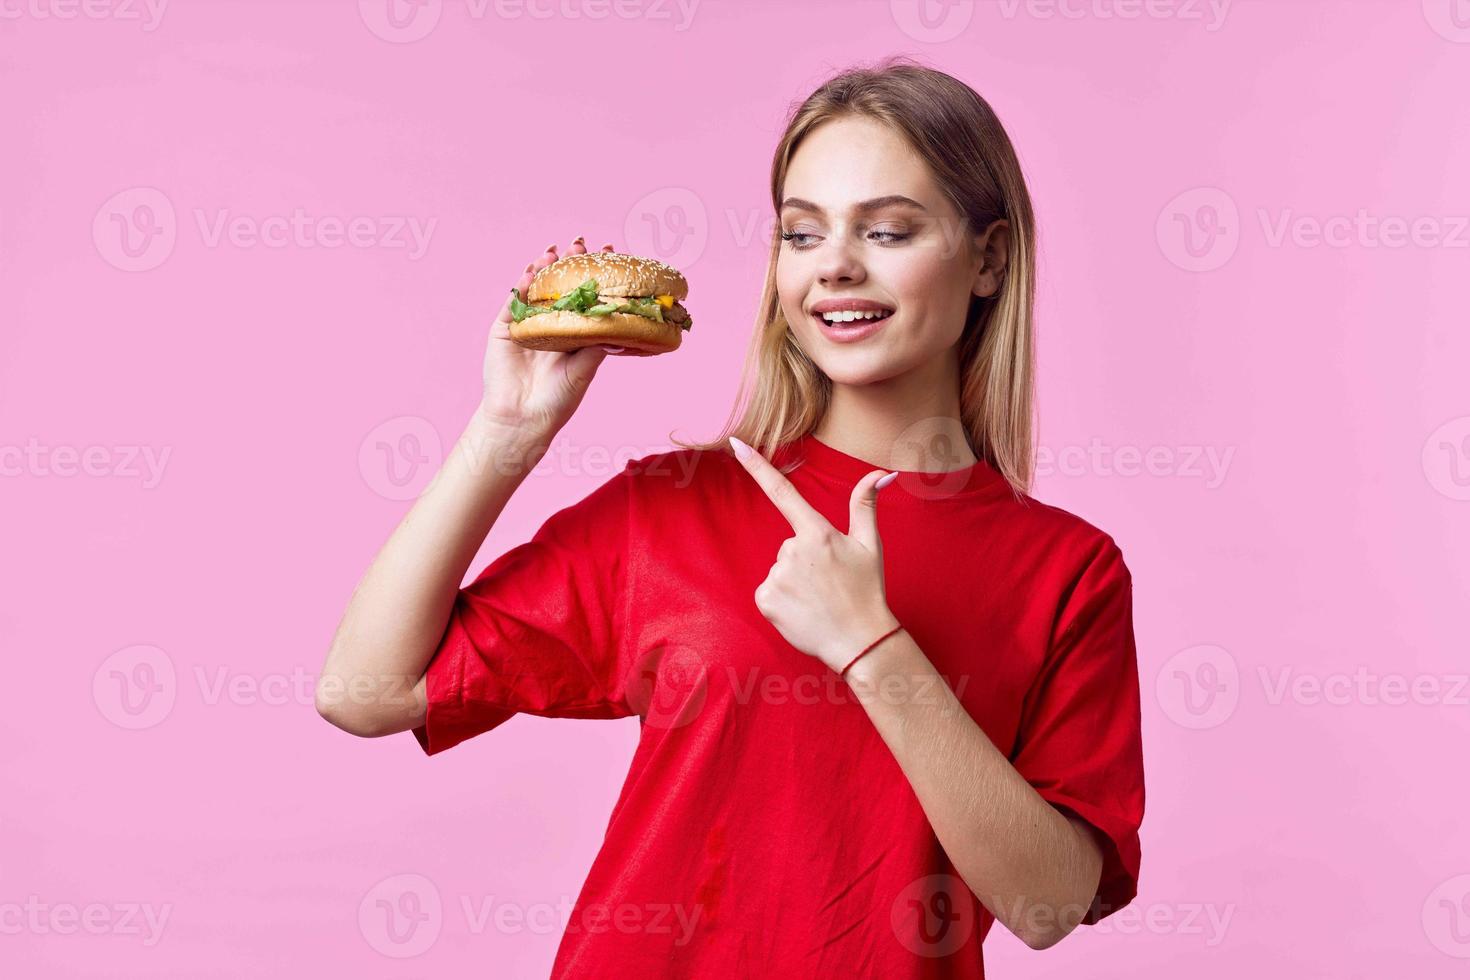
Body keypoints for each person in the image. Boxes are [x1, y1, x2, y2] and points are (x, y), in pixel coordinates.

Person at [317, 55, 1145, 978]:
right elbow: (364, 693)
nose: (835, 265)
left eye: (888, 230)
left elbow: (1048, 905)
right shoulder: (672, 507)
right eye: (801, 233)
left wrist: (873, 646)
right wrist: (506, 430)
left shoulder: (1071, 570)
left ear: (989, 257)